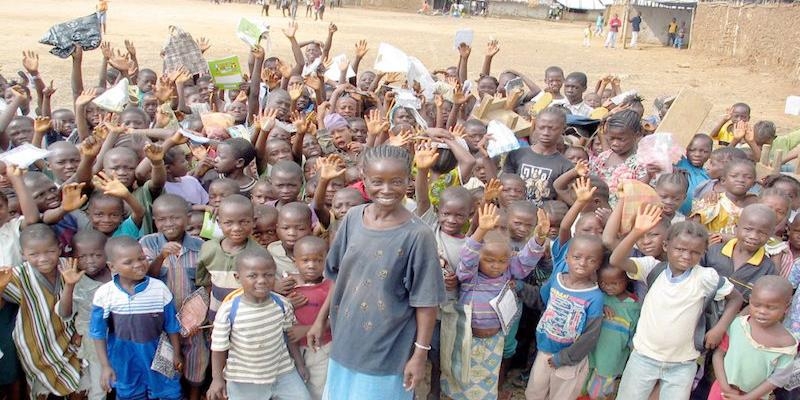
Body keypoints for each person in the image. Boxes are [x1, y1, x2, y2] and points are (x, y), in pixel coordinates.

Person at [306, 145, 446, 399]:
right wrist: (320, 320)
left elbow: (426, 302)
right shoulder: (352, 219)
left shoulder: (418, 235)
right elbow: (339, 276)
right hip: (346, 337)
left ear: (408, 181)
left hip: (388, 347)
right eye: (377, 181)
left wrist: (419, 354)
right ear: (364, 177)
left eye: (396, 182)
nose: (387, 189)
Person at [611, 212, 744, 399]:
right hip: (643, 357)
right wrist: (636, 232)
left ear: (703, 253)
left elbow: (736, 299)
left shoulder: (706, 277)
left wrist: (720, 329)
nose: (686, 256)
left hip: (682, 364)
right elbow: (616, 259)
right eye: (680, 249)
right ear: (666, 246)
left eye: (695, 252)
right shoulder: (651, 268)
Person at [207, 248, 311, 400]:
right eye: (252, 276)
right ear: (238, 277)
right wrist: (217, 379)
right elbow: (218, 348)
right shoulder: (229, 310)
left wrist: (300, 364)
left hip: (282, 372)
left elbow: (290, 336)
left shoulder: (282, 304)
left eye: (268, 275)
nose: (262, 280)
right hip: (244, 380)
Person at [0, 224, 81, 398]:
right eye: (34, 254)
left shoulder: (69, 266)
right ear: (23, 255)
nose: (43, 258)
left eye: (49, 251)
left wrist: (70, 284)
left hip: (68, 339)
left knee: (79, 387)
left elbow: (78, 306)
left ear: (59, 248)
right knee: (41, 391)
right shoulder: (17, 274)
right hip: (35, 344)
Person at [140, 194, 208, 400]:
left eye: (175, 218)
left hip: (193, 321)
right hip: (160, 321)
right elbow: (144, 278)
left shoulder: (200, 246)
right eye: (162, 219)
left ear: (187, 218)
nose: (168, 224)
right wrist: (161, 256)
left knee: (197, 361)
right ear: (154, 220)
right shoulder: (148, 243)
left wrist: (199, 317)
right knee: (165, 362)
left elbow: (206, 284)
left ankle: (194, 394)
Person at [708, 276, 796, 400]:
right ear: (750, 301)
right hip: (722, 391)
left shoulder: (786, 343)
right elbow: (718, 355)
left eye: (771, 307)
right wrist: (725, 387)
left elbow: (778, 378)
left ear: (786, 307)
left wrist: (747, 398)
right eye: (756, 305)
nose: (762, 311)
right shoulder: (738, 325)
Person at [56, 230, 111, 400]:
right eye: (82, 257)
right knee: (99, 385)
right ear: (73, 257)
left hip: (122, 339)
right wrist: (70, 285)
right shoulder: (77, 282)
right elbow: (64, 313)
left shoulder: (119, 274)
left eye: (96, 255)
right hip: (94, 342)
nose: (90, 261)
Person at [287, 236, 332, 400]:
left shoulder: (330, 287)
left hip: (320, 348)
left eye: (318, 260)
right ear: (295, 261)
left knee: (317, 390)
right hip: (292, 349)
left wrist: (307, 330)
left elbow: (339, 319)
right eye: (305, 260)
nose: (311, 265)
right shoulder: (288, 285)